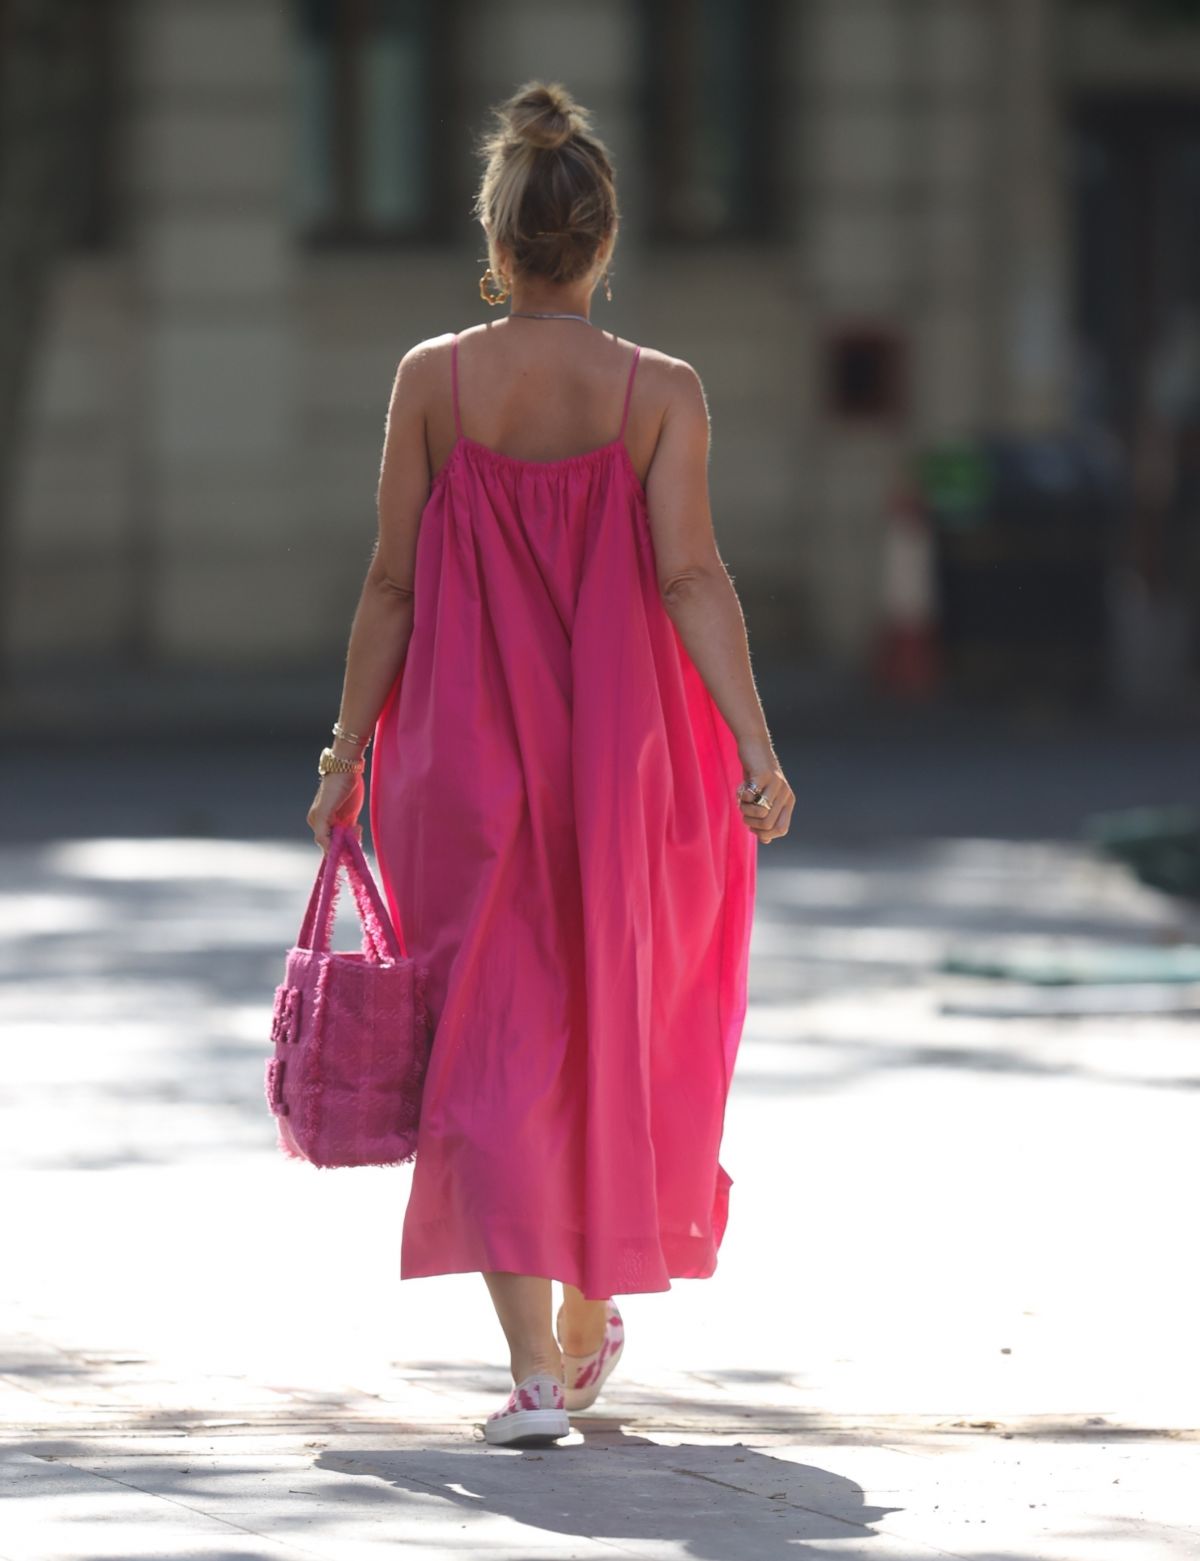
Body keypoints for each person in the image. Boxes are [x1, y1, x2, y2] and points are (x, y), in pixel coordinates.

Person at [306, 79, 794, 1448]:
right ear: (603, 242)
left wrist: (347, 751)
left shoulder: (431, 380)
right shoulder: (661, 395)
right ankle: (586, 1306)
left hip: (455, 753)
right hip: (618, 760)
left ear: (496, 233)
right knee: (612, 1014)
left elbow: (391, 587)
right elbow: (694, 577)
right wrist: (755, 745)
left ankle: (538, 1366)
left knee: (488, 1035)